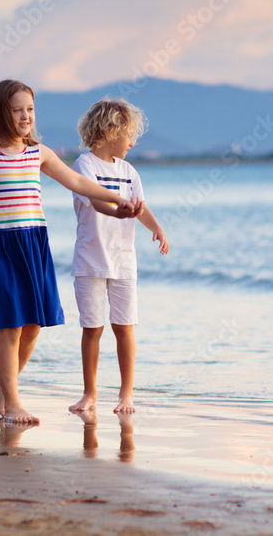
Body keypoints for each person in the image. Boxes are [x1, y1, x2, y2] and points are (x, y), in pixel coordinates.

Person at [0, 80, 142, 424]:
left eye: (29, 109)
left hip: (32, 244)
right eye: (17, 110)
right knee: (11, 325)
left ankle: (6, 384)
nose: (25, 116)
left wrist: (116, 199)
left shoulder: (39, 153)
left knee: (32, 325)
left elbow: (77, 182)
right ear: (0, 113)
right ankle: (13, 402)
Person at [68, 99, 168, 414]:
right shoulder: (84, 166)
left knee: (124, 326)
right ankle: (90, 393)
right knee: (92, 328)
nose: (133, 142)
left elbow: (140, 206)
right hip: (90, 260)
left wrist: (156, 227)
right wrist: (119, 210)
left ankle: (127, 394)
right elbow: (96, 202)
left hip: (124, 260)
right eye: (129, 135)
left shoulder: (129, 171)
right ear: (111, 131)